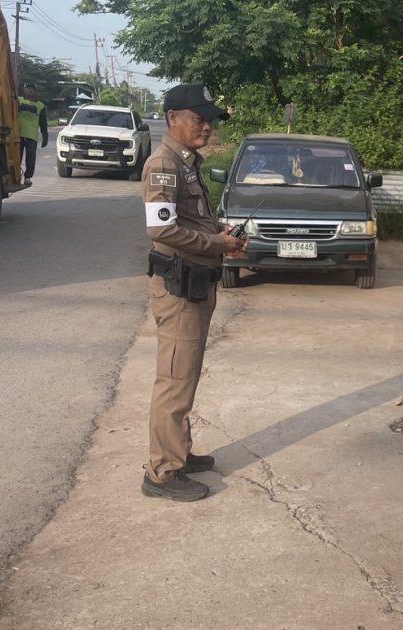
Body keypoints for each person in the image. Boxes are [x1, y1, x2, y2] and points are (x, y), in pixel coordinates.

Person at [141, 84, 246, 502]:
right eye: (199, 119)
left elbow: (191, 220)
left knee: (186, 375)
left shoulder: (186, 162)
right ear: (172, 118)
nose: (207, 127)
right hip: (179, 287)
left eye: (210, 120)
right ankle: (162, 473)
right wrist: (217, 243)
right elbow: (161, 229)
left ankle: (179, 452)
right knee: (174, 379)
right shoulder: (163, 164)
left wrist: (221, 234)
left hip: (196, 283)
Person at [17, 85, 48, 186]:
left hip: (32, 135)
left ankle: (27, 177)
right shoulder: (18, 100)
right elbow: (16, 106)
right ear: (24, 91)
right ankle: (16, 176)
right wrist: (26, 107)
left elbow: (43, 123)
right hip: (18, 134)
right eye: (27, 90)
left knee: (30, 158)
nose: (29, 92)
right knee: (17, 157)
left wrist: (45, 135)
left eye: (31, 91)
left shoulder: (40, 105)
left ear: (35, 92)